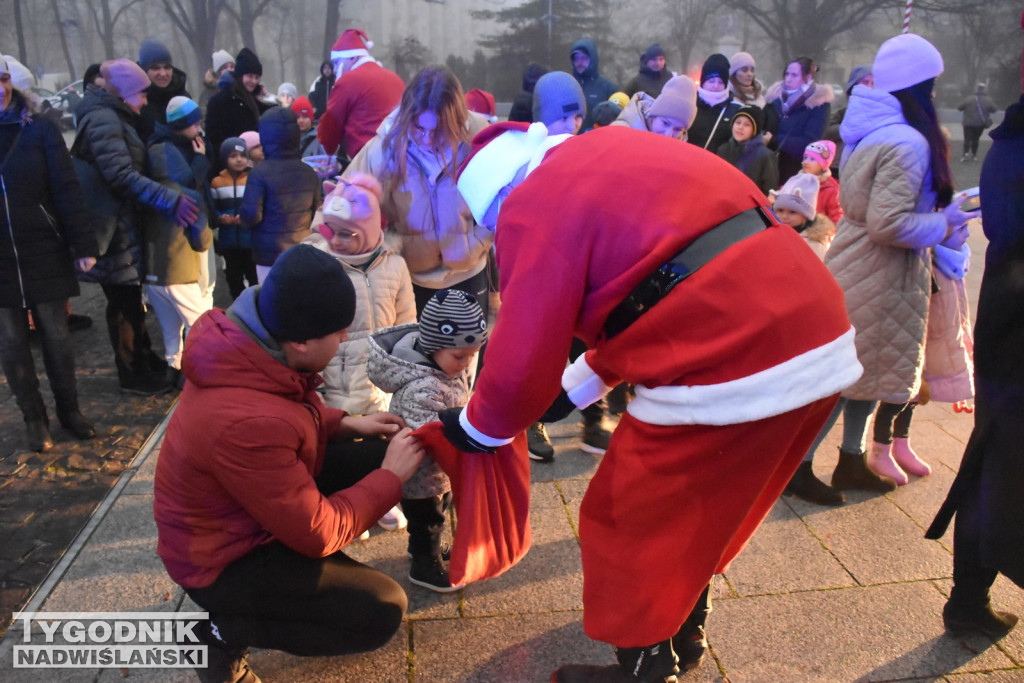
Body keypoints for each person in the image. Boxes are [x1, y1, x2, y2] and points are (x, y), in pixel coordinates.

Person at [446, 120, 859, 682]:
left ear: (497, 196)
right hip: (816, 329)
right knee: (705, 512)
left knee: (625, 515)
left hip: (734, 358)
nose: (497, 234)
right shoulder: (612, 150)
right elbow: (660, 284)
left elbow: (521, 357)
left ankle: (643, 662)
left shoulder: (532, 203)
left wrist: (479, 425)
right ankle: (686, 628)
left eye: (490, 224)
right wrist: (574, 388)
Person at [153, 243, 426, 683]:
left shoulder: (250, 344)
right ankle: (222, 632)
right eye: (336, 333)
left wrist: (347, 422)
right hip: (221, 562)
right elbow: (318, 533)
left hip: (244, 513)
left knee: (378, 450)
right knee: (380, 610)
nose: (343, 341)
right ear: (299, 340)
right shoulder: (246, 423)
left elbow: (291, 409)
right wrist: (390, 480)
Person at [789, 34, 980, 508]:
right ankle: (800, 466)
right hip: (881, 272)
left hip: (859, 264)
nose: (934, 95)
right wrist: (946, 220)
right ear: (917, 88)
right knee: (847, 379)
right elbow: (888, 223)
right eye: (931, 86)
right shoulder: (908, 142)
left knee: (866, 374)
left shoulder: (869, 129)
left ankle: (851, 460)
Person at [925, 89, 1024, 640]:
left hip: (1006, 320)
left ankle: (968, 598)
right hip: (1015, 322)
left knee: (995, 456)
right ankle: (968, 599)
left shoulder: (1007, 141)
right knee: (1000, 461)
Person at [72, 59, 199, 396]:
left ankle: (143, 357)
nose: (145, 101)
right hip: (111, 225)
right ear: (125, 93)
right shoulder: (103, 119)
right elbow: (120, 175)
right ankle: (131, 372)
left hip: (121, 222)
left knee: (130, 298)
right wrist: (169, 199)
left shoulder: (113, 116)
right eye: (141, 94)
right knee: (123, 301)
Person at [0, 54, 97, 452]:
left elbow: (66, 187)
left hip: (44, 246)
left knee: (56, 337)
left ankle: (69, 411)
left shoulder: (39, 129)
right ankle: (33, 418)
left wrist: (83, 243)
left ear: (12, 83)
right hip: (1, 259)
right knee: (10, 342)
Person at [344, 65, 490, 317]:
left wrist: (482, 237)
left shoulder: (479, 135)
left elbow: (505, 198)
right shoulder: (383, 148)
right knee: (416, 356)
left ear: (455, 121)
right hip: (413, 280)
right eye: (419, 128)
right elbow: (342, 204)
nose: (427, 139)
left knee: (471, 356)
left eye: (438, 131)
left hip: (470, 274)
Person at [368, 289, 487, 592]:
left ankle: (424, 547)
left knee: (438, 511)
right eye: (460, 356)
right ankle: (424, 564)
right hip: (420, 473)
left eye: (471, 356)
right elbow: (431, 433)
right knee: (428, 518)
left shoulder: (444, 369)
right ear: (434, 345)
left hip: (437, 471)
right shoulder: (422, 387)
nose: (465, 363)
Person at [143, 96, 214, 388]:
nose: (199, 127)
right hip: (180, 265)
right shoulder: (183, 190)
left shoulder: (151, 190)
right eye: (194, 122)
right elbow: (200, 238)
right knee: (201, 323)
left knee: (171, 329)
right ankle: (202, 374)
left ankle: (174, 370)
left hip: (153, 269)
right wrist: (200, 161)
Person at [240, 107, 321, 282]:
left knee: (271, 302)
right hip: (302, 251)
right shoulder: (309, 172)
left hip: (268, 254)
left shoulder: (259, 173)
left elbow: (250, 215)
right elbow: (317, 211)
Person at [318, 29, 405, 162]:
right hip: (400, 160)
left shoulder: (347, 82)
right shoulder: (395, 79)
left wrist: (328, 150)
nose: (335, 70)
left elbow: (330, 127)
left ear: (353, 57)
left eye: (337, 62)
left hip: (367, 162)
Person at [764, 57, 834, 185]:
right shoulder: (775, 99)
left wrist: (774, 140)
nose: (788, 79)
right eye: (787, 74)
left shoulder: (818, 104)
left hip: (797, 174)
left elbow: (811, 142)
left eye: (794, 75)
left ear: (808, 78)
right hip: (769, 169)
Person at [205, 48, 272, 176]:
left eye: (257, 77)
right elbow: (214, 139)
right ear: (240, 75)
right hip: (229, 169)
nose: (253, 81)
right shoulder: (220, 101)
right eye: (250, 76)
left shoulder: (251, 98)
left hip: (252, 164)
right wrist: (237, 157)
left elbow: (267, 110)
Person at [209, 137, 256, 299]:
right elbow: (213, 209)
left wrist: (247, 218)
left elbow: (258, 206)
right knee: (234, 279)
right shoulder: (217, 182)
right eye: (233, 156)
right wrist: (221, 218)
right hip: (228, 242)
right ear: (224, 158)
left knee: (254, 279)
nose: (239, 159)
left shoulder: (253, 180)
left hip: (251, 241)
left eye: (242, 155)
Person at [769, 172, 835, 259]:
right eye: (780, 210)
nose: (784, 216)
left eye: (792, 212)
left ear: (806, 216)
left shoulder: (814, 245)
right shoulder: (774, 233)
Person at [612, 75, 698, 141]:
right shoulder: (620, 132)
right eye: (665, 123)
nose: (668, 134)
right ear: (653, 115)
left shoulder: (681, 150)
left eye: (677, 129)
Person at [136, 39, 190, 144]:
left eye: (167, 67)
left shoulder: (183, 97)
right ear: (144, 70)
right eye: (155, 68)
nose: (163, 73)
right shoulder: (136, 101)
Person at [824, 65, 873, 179]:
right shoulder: (841, 104)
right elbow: (826, 130)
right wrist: (850, 128)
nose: (869, 86)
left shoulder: (876, 104)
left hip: (863, 161)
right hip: (838, 161)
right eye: (865, 82)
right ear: (855, 83)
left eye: (872, 82)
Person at [716, 104, 777, 195]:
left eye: (747, 125)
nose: (740, 127)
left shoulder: (765, 156)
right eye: (738, 122)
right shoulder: (723, 149)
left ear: (755, 130)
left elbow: (769, 190)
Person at [688, 54, 742, 151]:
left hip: (719, 163)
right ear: (703, 81)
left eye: (721, 82)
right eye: (711, 81)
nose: (716, 86)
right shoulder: (689, 103)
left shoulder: (736, 110)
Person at [570, 38, 618, 133]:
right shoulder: (567, 85)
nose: (579, 63)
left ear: (593, 59)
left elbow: (616, 121)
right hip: (571, 142)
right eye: (576, 58)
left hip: (598, 141)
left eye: (584, 58)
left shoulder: (607, 88)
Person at [801, 139, 842, 223]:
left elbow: (837, 219)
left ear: (823, 165)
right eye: (805, 158)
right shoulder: (796, 180)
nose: (806, 162)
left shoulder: (832, 190)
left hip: (816, 233)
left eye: (812, 159)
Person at [958, 83, 996, 162]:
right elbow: (994, 109)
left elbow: (960, 108)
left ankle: (965, 154)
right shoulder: (988, 100)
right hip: (980, 124)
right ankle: (974, 155)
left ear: (976, 89)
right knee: (976, 139)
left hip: (968, 123)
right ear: (984, 89)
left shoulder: (969, 98)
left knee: (967, 139)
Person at [199, 49, 234, 114]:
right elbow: (204, 118)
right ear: (218, 73)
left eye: (232, 66)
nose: (229, 70)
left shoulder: (240, 89)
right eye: (225, 67)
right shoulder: (208, 95)